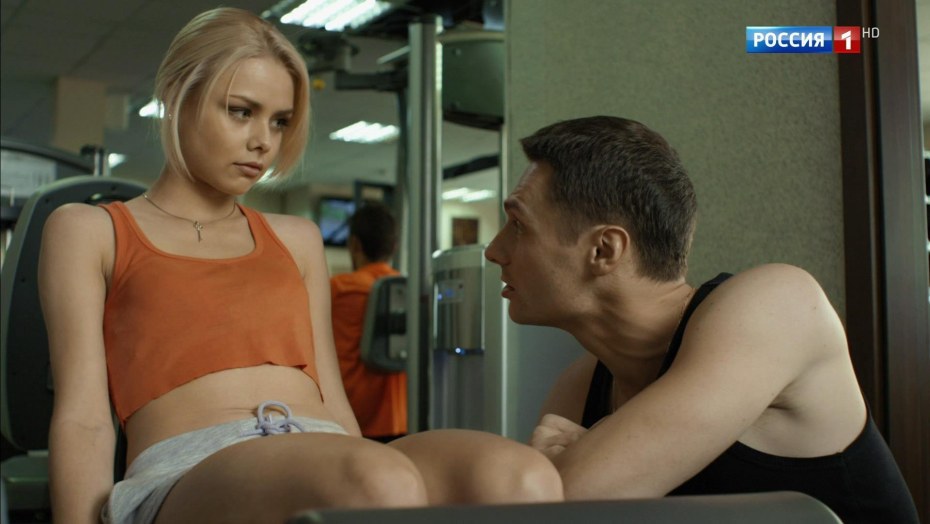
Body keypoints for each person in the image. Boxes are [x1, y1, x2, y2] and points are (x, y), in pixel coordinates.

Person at [39, 8, 561, 524]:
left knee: (520, 476)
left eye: (280, 121)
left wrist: (358, 463)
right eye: (240, 111)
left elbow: (331, 396)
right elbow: (83, 419)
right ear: (177, 97)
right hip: (187, 469)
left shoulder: (297, 238)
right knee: (377, 480)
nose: (264, 141)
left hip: (326, 448)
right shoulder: (89, 230)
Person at [483, 115, 919, 523]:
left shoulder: (777, 305)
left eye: (518, 225)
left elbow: (559, 501)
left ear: (604, 250)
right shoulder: (579, 386)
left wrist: (576, 467)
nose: (493, 251)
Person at [331, 203, 406, 442]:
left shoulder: (337, 289)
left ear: (354, 244)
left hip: (353, 419)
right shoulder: (408, 290)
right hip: (403, 417)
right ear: (393, 247)